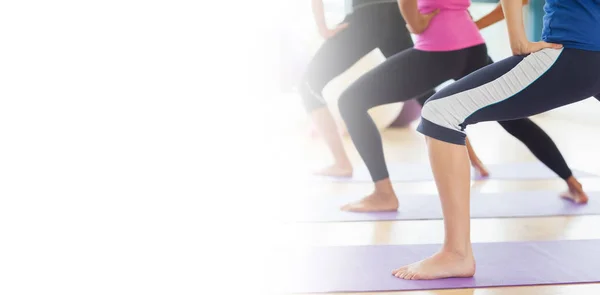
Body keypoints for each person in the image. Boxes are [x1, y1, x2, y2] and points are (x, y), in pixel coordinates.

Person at [393, 0, 600, 280]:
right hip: (587, 51)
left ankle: (456, 253)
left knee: (440, 111)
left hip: (575, 49)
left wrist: (518, 41)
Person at [336, 0, 588, 213]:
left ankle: (383, 194)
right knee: (512, 118)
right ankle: (571, 181)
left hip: (438, 49)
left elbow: (412, 19)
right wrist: (473, 24)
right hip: (473, 45)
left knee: (351, 101)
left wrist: (419, 23)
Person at [300, 0, 435, 177]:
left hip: (366, 15)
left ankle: (341, 163)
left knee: (309, 84)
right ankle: (470, 158)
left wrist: (321, 26)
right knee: (422, 88)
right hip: (394, 14)